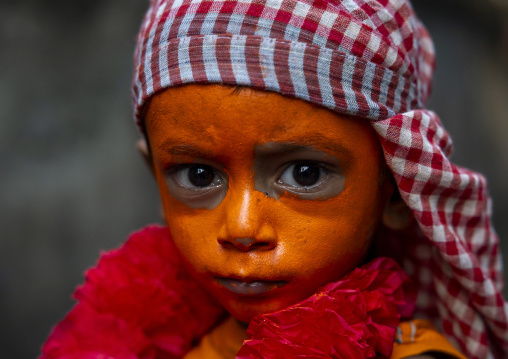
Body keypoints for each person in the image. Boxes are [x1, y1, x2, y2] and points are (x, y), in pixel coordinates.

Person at [41, 0, 508, 358]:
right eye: (198, 175)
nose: (242, 228)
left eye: (305, 174)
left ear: (399, 191)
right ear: (155, 175)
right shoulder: (150, 339)